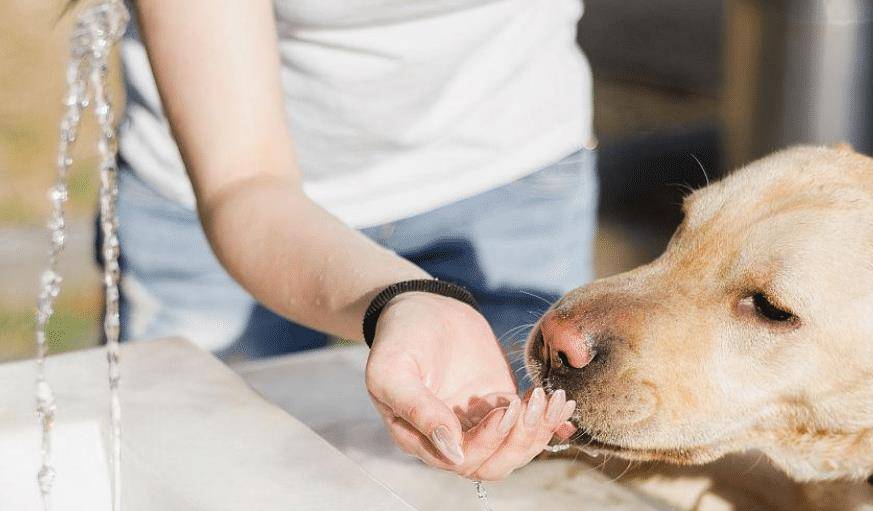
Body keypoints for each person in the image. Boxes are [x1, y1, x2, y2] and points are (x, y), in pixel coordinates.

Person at [109, 0, 596, 480]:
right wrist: (402, 297)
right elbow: (243, 181)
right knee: (207, 478)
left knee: (512, 488)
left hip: (513, 178)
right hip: (228, 200)